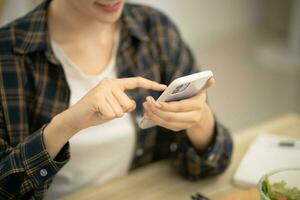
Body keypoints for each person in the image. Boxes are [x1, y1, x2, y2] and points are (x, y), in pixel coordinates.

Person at [0, 0, 233, 199]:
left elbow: (208, 168)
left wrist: (201, 121)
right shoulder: (7, 56)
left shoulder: (155, 30)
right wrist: (66, 125)